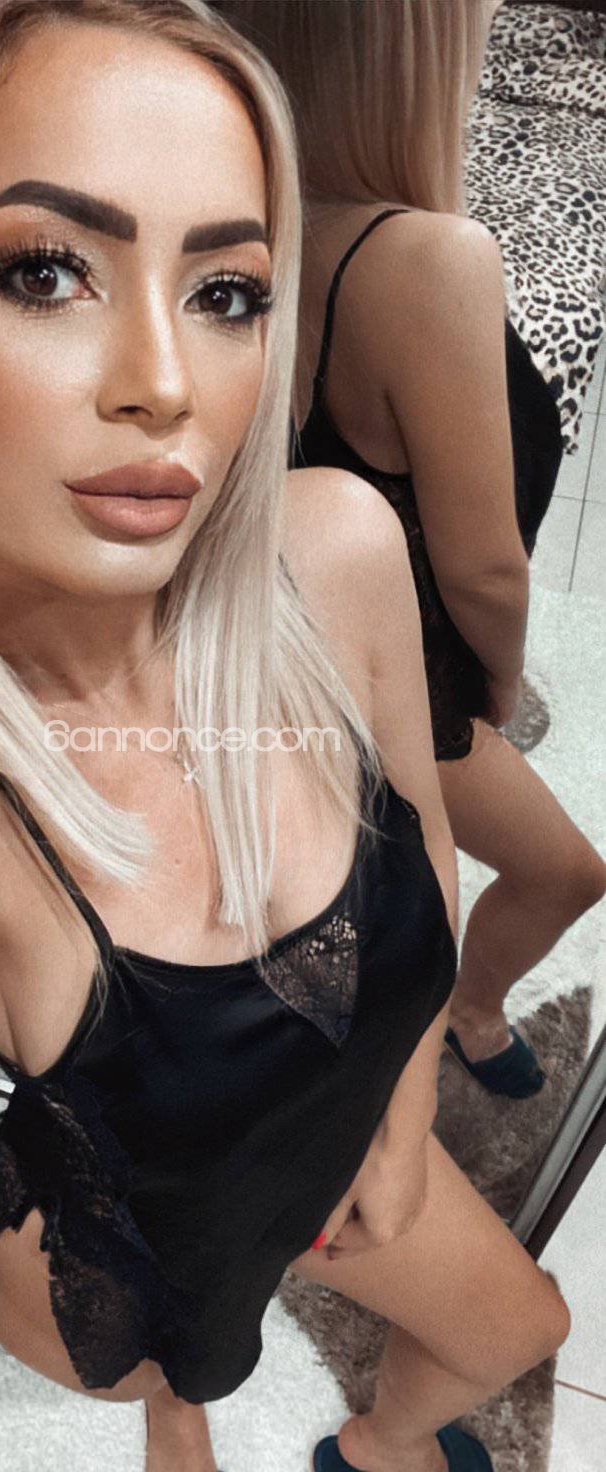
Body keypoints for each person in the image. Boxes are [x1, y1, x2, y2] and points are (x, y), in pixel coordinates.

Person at [0, 3, 569, 1471]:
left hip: (330, 1166)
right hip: (122, 1263)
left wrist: (402, 1123)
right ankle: (176, 1404)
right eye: (47, 271)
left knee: (522, 1326)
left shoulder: (336, 549)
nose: (167, 380)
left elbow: (426, 856)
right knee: (183, 1373)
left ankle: (379, 1444)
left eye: (227, 291)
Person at [219, 0, 606, 1100]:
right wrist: (501, 682)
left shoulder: (224, 208)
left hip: (250, 641)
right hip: (378, 673)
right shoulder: (430, 258)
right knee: (567, 874)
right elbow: (485, 572)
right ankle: (469, 1012)